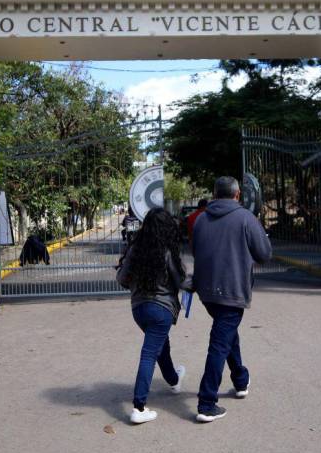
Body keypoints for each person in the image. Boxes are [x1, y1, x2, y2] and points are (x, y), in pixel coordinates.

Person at [191, 176, 272, 423]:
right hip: (232, 291)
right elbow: (265, 254)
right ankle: (206, 403)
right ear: (237, 195)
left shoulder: (201, 219)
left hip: (206, 292)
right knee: (219, 342)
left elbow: (195, 251)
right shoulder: (246, 218)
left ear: (215, 194)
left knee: (226, 335)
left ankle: (240, 378)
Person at [116, 207, 187, 424]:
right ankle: (139, 407)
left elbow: (121, 278)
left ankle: (174, 380)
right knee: (149, 353)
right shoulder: (167, 251)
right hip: (161, 309)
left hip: (139, 309)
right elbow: (181, 281)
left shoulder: (134, 249)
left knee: (159, 346)